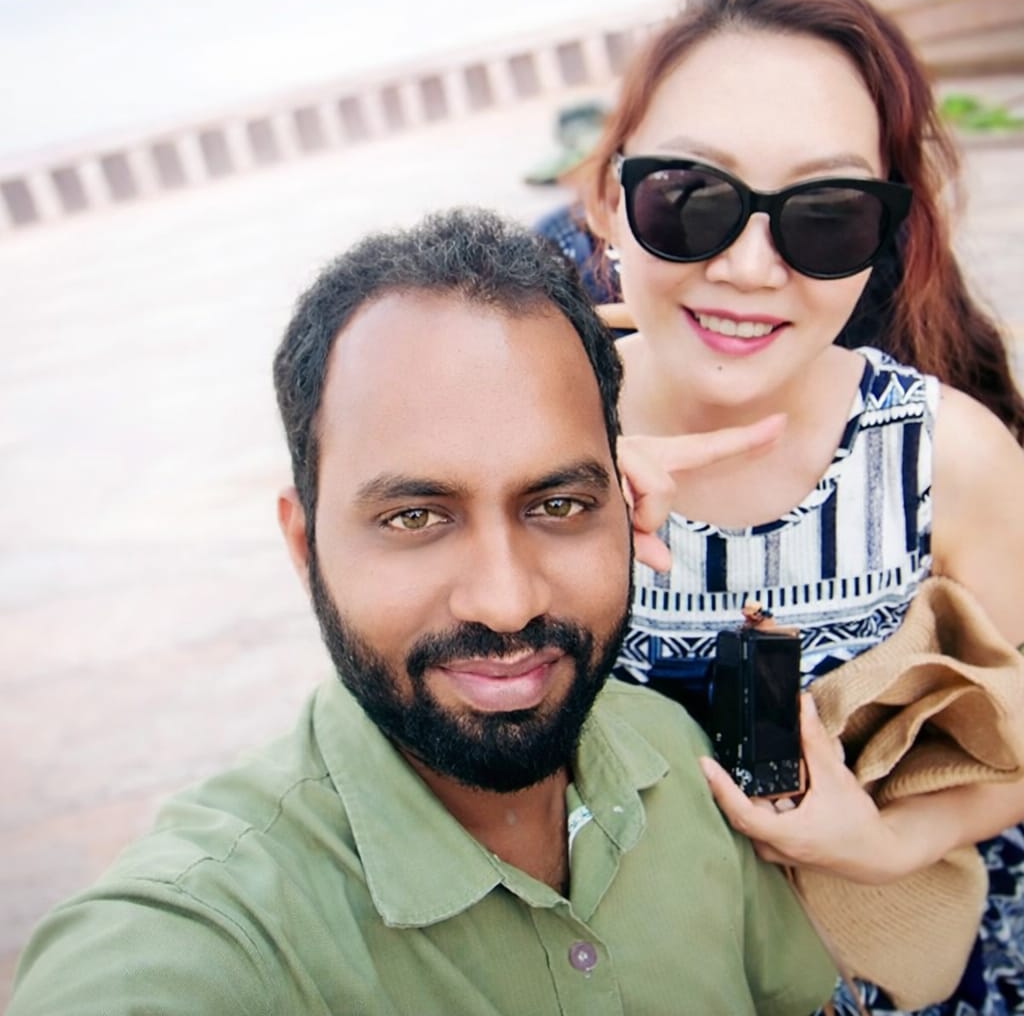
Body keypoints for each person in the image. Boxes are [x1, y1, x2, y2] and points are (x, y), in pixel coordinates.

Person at [7, 209, 836, 1015]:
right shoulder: (213, 931)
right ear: (305, 546)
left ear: (626, 507)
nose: (507, 602)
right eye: (414, 518)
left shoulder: (675, 756)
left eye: (557, 504)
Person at [579, 0, 1024, 1013]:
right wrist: (556, 490)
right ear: (610, 201)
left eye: (823, 215)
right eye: (687, 197)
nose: (745, 267)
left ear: (880, 235)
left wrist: (883, 839)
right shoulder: (523, 443)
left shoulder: (944, 455)